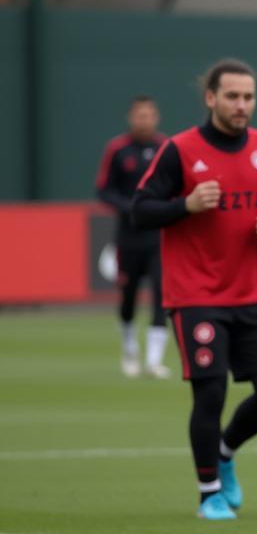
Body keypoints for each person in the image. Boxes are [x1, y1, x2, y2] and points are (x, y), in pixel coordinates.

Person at [131, 59, 257, 521]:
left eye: (248, 97)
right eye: (232, 96)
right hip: (196, 293)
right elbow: (140, 209)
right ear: (210, 98)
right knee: (210, 394)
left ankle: (225, 451)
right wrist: (184, 204)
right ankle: (209, 492)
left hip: (255, 291)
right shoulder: (180, 150)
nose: (241, 105)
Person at [95, 95, 169, 378]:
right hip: (128, 237)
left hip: (159, 237)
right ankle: (129, 348)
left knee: (162, 294)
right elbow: (104, 190)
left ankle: (153, 360)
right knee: (128, 296)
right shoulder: (117, 149)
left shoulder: (166, 148)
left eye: (149, 115)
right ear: (131, 118)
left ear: (156, 117)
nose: (144, 120)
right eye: (139, 115)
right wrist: (129, 208)